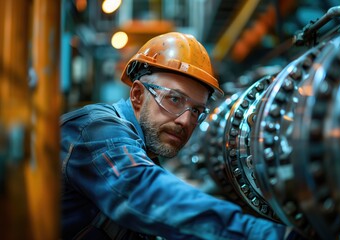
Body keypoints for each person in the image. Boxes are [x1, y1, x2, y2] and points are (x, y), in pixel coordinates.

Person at [60, 32, 295, 240]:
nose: (185, 121)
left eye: (196, 111)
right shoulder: (96, 129)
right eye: (174, 99)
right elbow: (147, 195)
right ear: (138, 95)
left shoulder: (146, 154)